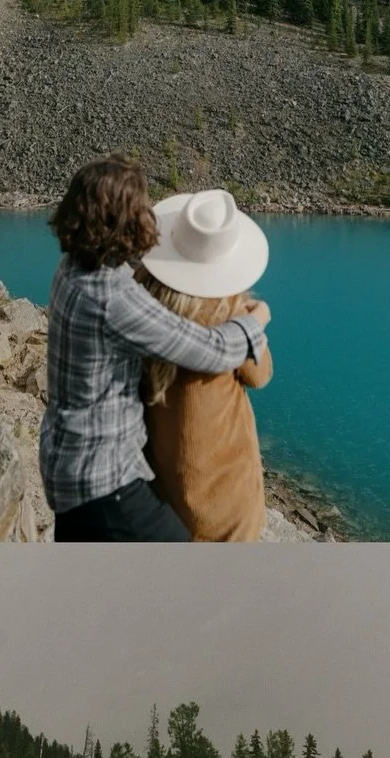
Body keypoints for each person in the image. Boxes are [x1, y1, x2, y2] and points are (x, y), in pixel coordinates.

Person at [39, 157, 269, 542]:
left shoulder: (73, 267)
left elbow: (132, 272)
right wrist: (255, 320)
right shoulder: (113, 298)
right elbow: (210, 350)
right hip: (103, 478)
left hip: (65, 463)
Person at [136, 191, 272, 542]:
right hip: (227, 495)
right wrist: (257, 316)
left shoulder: (141, 300)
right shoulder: (227, 313)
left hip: (171, 488)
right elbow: (261, 375)